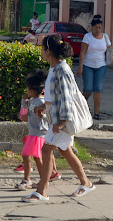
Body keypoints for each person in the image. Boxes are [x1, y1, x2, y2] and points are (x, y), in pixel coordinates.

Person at [25, 34, 96, 202]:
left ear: (48, 51)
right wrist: (43, 106)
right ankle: (86, 183)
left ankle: (42, 190)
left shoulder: (61, 70)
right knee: (66, 151)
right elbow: (54, 95)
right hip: (57, 118)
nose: (41, 51)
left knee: (46, 149)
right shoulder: (55, 68)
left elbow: (66, 97)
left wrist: (61, 122)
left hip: (62, 120)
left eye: (43, 48)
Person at [15, 70, 52, 191]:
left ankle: (27, 180)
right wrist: (24, 100)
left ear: (31, 90)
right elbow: (25, 107)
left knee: (26, 155)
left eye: (27, 89)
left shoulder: (41, 102)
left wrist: (42, 116)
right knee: (36, 158)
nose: (26, 91)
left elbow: (48, 117)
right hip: (33, 133)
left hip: (38, 133)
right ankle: (43, 180)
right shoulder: (32, 101)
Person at [78, 16, 113, 120]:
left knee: (98, 88)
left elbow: (110, 51)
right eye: (96, 28)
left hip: (101, 66)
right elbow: (82, 52)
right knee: (88, 89)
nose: (98, 30)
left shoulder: (105, 37)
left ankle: (96, 113)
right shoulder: (87, 37)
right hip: (88, 66)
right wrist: (80, 67)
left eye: (100, 27)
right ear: (92, 27)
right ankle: (81, 107)